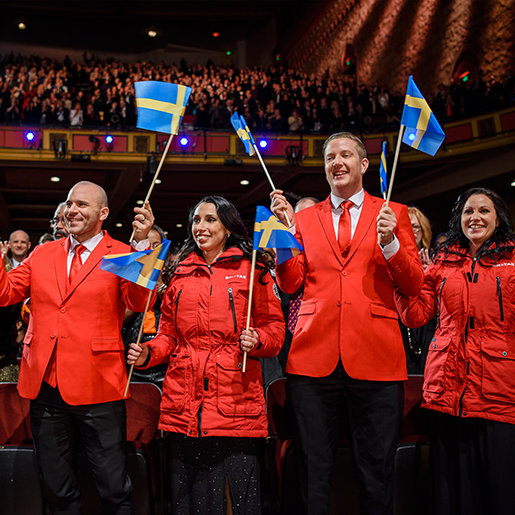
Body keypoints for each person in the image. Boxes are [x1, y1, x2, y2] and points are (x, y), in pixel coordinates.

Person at [270, 132, 424, 515]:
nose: (337, 162)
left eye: (345, 155)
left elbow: (413, 285)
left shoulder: (393, 213)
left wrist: (390, 243)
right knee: (313, 471)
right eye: (329, 157)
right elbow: (290, 284)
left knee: (376, 472)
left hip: (376, 356)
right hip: (312, 357)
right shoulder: (303, 219)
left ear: (363, 164)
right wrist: (284, 239)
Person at [0, 180, 155, 514]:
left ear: (103, 213)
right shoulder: (43, 252)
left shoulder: (121, 252)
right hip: (45, 384)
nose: (72, 210)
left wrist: (142, 245)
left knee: (113, 487)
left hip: (99, 384)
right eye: (69, 203)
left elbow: (140, 301)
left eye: (82, 205)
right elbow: (5, 293)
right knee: (56, 488)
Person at [127, 195, 284, 515]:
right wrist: (148, 353)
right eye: (196, 220)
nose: (201, 226)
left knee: (240, 502)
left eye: (210, 219)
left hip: (236, 402)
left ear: (228, 227)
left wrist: (258, 339)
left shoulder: (253, 268)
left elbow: (275, 329)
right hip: (184, 405)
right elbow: (168, 337)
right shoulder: (178, 272)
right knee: (191, 503)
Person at [394, 187, 515, 515]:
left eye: (484, 211)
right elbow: (416, 315)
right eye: (468, 211)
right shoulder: (442, 262)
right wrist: (404, 278)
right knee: (451, 494)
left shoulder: (512, 260)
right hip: (448, 393)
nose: (475, 217)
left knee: (499, 491)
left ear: (498, 218)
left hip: (498, 395)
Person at [402, 206, 436, 374]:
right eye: (406, 225)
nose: (411, 230)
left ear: (423, 231)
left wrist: (429, 275)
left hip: (427, 328)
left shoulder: (435, 260)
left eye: (415, 226)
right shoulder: (389, 259)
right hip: (400, 327)